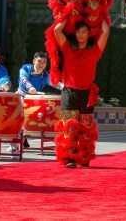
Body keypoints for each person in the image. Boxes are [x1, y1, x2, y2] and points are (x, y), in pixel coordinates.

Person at [54, 18, 109, 168]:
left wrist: (101, 15)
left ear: (88, 33)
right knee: (68, 126)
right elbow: (57, 31)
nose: (80, 34)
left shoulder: (95, 50)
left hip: (87, 93)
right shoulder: (67, 47)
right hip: (69, 92)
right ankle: (69, 158)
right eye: (78, 31)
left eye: (84, 32)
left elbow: (105, 31)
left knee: (86, 127)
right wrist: (66, 15)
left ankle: (85, 157)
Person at [9, 51, 60, 153]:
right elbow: (23, 79)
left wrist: (66, 88)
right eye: (39, 61)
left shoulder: (45, 75)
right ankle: (15, 146)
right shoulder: (25, 68)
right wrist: (30, 87)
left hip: (35, 100)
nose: (41, 64)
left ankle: (57, 141)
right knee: (17, 120)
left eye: (44, 62)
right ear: (33, 61)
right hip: (21, 97)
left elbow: (55, 83)